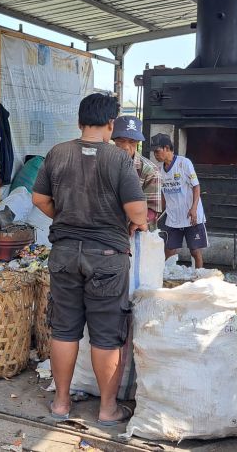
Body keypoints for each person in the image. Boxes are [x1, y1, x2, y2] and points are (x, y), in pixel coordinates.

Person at [32, 93, 148, 426]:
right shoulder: (119, 159)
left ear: (80, 121)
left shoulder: (58, 153)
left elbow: (39, 198)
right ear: (111, 123)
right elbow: (137, 211)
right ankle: (108, 409)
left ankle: (61, 404)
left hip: (65, 253)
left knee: (65, 331)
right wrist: (133, 222)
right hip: (107, 258)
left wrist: (65, 217)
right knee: (106, 335)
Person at [151, 133, 208, 268]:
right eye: (154, 152)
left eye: (157, 151)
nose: (155, 155)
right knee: (169, 250)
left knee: (195, 251)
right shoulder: (160, 171)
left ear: (166, 148)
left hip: (191, 216)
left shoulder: (184, 163)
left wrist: (194, 208)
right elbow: (164, 195)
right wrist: (158, 213)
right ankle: (164, 278)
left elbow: (196, 186)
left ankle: (198, 279)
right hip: (173, 218)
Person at [111, 115, 163, 225]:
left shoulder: (150, 171)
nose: (126, 146)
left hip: (136, 232)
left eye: (131, 142)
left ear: (137, 143)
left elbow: (153, 208)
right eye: (121, 140)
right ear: (114, 140)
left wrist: (138, 222)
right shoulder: (104, 163)